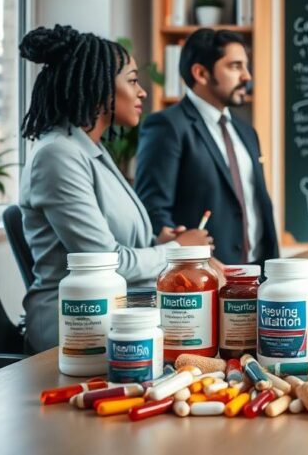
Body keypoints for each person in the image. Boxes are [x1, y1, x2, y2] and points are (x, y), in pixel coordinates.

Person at [19, 25, 211, 352]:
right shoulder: (58, 156)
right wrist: (177, 250)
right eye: (133, 80)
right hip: (73, 333)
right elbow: (106, 261)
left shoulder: (90, 151)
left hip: (117, 318)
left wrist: (156, 242)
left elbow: (114, 243)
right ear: (100, 87)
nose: (143, 93)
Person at [134, 29, 278, 265]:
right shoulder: (167, 126)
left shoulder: (247, 132)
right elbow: (153, 210)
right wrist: (196, 261)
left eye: (246, 66)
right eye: (235, 66)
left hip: (259, 275)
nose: (246, 76)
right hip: (203, 278)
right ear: (201, 73)